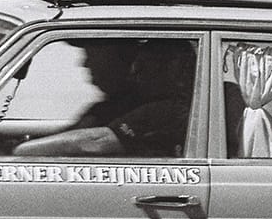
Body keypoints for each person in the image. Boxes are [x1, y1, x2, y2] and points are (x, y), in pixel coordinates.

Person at [14, 39, 193, 158]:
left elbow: (95, 141)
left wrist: (18, 153)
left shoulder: (168, 111)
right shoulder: (117, 105)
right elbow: (77, 132)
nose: (137, 72)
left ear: (172, 70)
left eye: (147, 65)